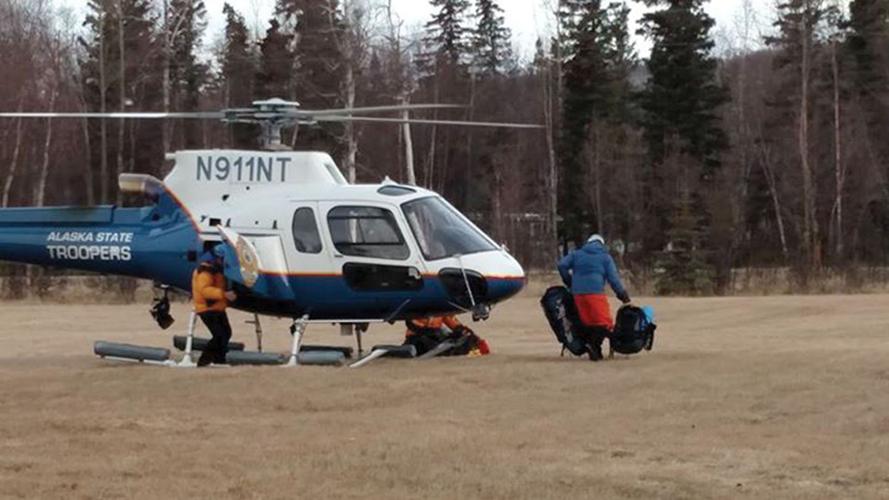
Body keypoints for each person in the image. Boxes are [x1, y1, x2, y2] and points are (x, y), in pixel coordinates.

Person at [557, 234, 631, 361]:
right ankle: (592, 346)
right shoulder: (605, 257)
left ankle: (596, 352)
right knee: (604, 323)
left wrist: (569, 281)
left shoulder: (576, 254)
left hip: (578, 294)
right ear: (601, 244)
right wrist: (622, 295)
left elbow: (562, 265)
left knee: (588, 323)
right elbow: (613, 279)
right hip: (595, 293)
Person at [192, 247, 237, 367]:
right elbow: (204, 291)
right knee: (219, 335)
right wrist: (224, 294)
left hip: (216, 307)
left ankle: (219, 361)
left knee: (226, 333)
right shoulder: (206, 271)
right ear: (218, 258)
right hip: (207, 309)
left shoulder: (216, 269)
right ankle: (204, 361)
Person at [404, 315, 490, 357]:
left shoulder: (442, 308)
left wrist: (465, 332)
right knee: (423, 342)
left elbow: (454, 323)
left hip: (436, 335)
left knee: (466, 338)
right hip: (417, 336)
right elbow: (411, 324)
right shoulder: (416, 305)